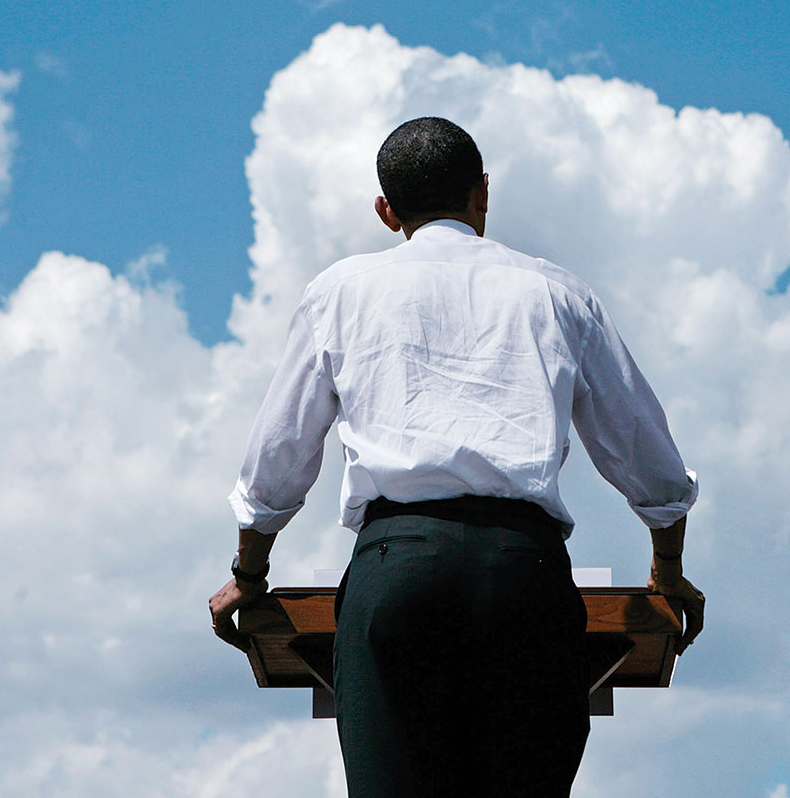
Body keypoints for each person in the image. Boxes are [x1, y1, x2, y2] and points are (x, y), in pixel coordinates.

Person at [209, 117, 705, 797]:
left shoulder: (340, 292)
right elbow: (653, 463)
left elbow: (279, 458)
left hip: (396, 567)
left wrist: (250, 571)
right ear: (484, 192)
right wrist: (667, 569)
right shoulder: (558, 292)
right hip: (522, 571)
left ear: (387, 210)